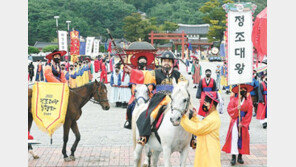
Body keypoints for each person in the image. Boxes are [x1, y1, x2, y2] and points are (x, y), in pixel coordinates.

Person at [124, 51, 187, 145]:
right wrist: (132, 71)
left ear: (172, 63)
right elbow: (143, 75)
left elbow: (183, 84)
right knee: (150, 114)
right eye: (164, 61)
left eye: (169, 61)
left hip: (174, 99)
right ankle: (144, 136)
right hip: (160, 99)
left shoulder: (177, 74)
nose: (166, 63)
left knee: (190, 111)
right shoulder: (154, 73)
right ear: (161, 62)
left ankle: (193, 137)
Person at [181, 91, 221, 167]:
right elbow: (201, 127)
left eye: (206, 103)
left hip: (210, 152)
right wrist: (194, 117)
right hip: (205, 150)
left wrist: (183, 118)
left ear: (212, 105)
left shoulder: (213, 119)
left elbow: (197, 129)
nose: (204, 104)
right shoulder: (210, 116)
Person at [222, 84, 253, 166]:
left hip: (243, 123)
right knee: (234, 138)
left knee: (242, 139)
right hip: (235, 121)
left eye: (244, 90)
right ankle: (233, 156)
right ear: (239, 91)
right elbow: (229, 110)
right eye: (241, 89)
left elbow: (249, 113)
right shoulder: (234, 100)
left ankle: (240, 156)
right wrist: (236, 109)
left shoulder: (248, 101)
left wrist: (243, 123)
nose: (243, 91)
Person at [123, 55, 154, 129]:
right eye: (141, 61)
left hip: (147, 91)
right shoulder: (134, 71)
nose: (142, 62)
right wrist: (134, 89)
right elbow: (132, 83)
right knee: (130, 106)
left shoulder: (150, 71)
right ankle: (129, 121)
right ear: (138, 62)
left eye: (144, 61)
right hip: (137, 91)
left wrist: (149, 88)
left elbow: (152, 82)